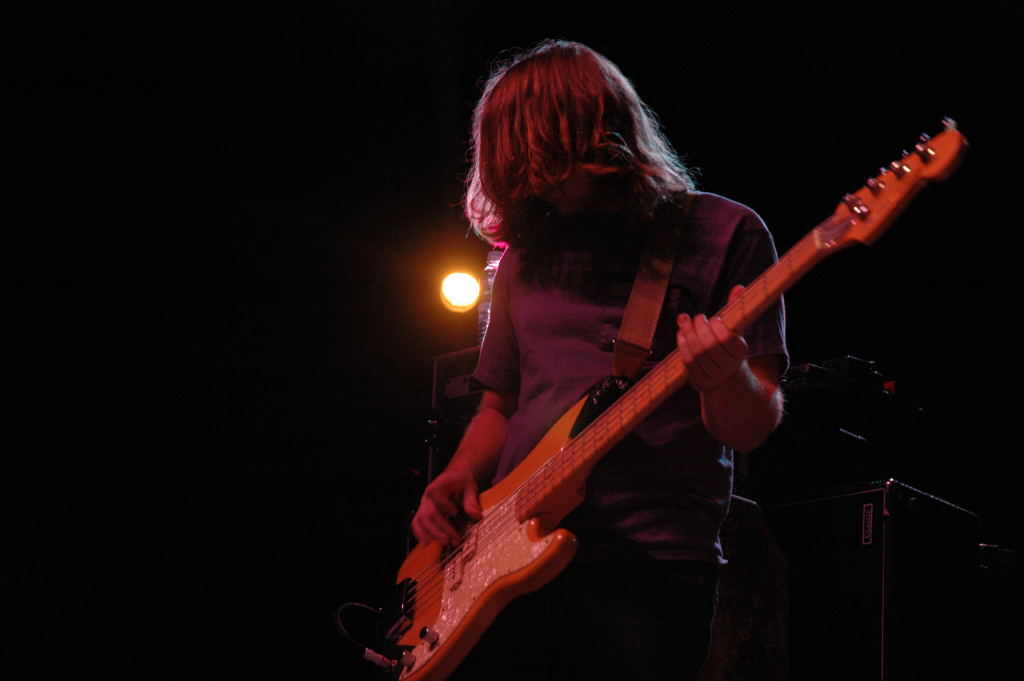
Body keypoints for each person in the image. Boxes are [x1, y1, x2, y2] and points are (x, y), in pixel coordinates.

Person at [410, 40, 787, 681]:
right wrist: (459, 472)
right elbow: (499, 404)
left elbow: (752, 426)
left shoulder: (725, 233)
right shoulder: (523, 259)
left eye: (541, 163)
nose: (532, 186)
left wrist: (727, 377)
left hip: (651, 565)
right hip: (503, 557)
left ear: (594, 138)